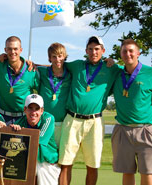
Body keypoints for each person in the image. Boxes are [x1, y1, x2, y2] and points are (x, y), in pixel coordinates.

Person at [59, 36, 120, 185]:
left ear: (103, 51)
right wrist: (28, 64)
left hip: (95, 122)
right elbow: (56, 65)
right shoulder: (77, 65)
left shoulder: (112, 68)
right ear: (86, 51)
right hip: (72, 120)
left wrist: (114, 62)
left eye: (97, 49)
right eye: (91, 49)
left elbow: (131, 70)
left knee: (92, 165)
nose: (94, 52)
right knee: (66, 164)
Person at [111, 39, 152, 185]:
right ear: (121, 54)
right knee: (127, 171)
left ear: (138, 53)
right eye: (124, 51)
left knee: (147, 171)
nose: (128, 54)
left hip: (146, 130)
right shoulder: (116, 73)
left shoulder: (149, 73)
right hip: (123, 129)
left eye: (131, 51)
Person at [0, 94, 60, 185]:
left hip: (46, 162)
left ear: (42, 110)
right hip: (27, 161)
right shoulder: (19, 122)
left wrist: (21, 135)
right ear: (25, 109)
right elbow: (8, 143)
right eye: (30, 108)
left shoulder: (48, 119)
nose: (33, 112)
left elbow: (37, 141)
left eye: (37, 109)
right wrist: (6, 129)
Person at [0, 36, 39, 125]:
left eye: (15, 49)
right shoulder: (0, 62)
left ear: (21, 50)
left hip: (24, 118)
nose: (12, 52)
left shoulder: (31, 71)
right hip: (3, 117)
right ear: (5, 50)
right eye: (9, 49)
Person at [37, 42, 71, 146]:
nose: (57, 60)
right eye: (54, 57)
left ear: (64, 56)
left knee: (61, 157)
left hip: (63, 123)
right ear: (49, 58)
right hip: (44, 122)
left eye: (60, 56)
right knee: (43, 154)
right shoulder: (42, 72)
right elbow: (27, 65)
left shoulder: (70, 73)